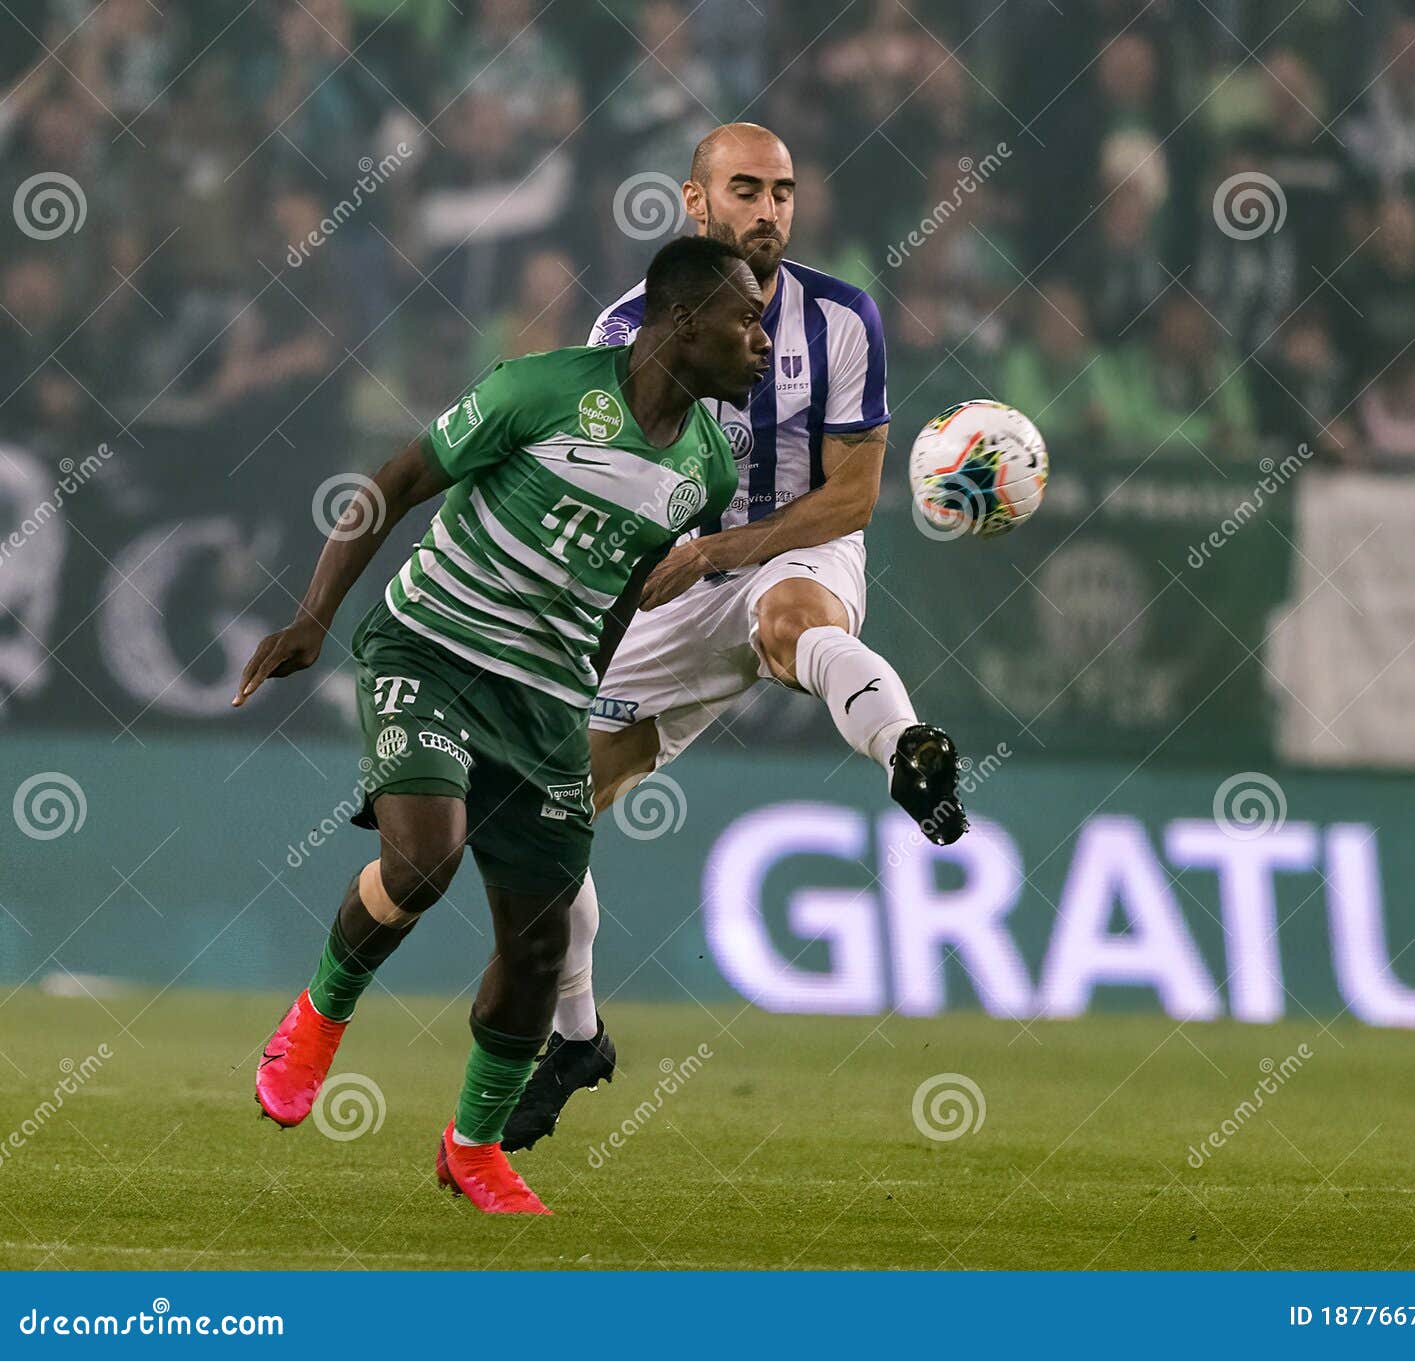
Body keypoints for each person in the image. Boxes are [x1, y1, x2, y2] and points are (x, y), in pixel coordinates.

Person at [233, 236, 767, 1215]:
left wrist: (580, 699)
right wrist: (315, 616)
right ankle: (318, 1012)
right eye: (747, 319)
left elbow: (616, 600)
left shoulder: (704, 471)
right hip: (428, 649)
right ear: (685, 323)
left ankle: (472, 1146)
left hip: (543, 704)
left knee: (538, 944)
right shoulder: (540, 388)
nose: (762, 342)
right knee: (424, 862)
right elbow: (391, 483)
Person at [502, 122, 969, 1153]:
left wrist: (726, 553)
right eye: (747, 189)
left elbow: (850, 495)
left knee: (788, 619)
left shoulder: (843, 317)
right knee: (548, 814)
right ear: (694, 203)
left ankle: (907, 750)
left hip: (790, 549)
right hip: (671, 581)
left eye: (784, 191)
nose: (769, 209)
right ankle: (576, 1036)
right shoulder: (626, 325)